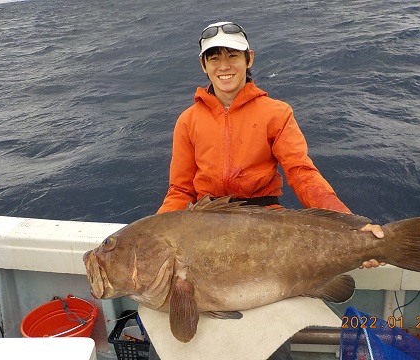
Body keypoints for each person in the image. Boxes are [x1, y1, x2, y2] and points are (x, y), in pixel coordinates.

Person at [150, 21, 384, 360]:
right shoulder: (187, 121)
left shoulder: (277, 113)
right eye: (214, 58)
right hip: (203, 235)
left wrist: (350, 225)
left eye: (233, 55)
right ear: (203, 66)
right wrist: (156, 237)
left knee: (271, 348)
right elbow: (179, 191)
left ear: (250, 59)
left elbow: (303, 175)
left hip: (267, 232)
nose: (224, 65)